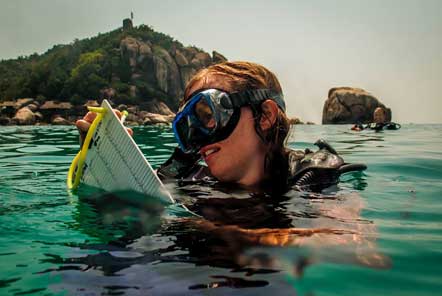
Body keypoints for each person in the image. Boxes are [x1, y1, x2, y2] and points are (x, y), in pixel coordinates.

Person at [77, 61, 365, 194]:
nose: (198, 137)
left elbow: (350, 241)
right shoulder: (187, 177)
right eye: (186, 126)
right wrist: (101, 159)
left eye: (206, 114)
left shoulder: (313, 177)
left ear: (264, 116)